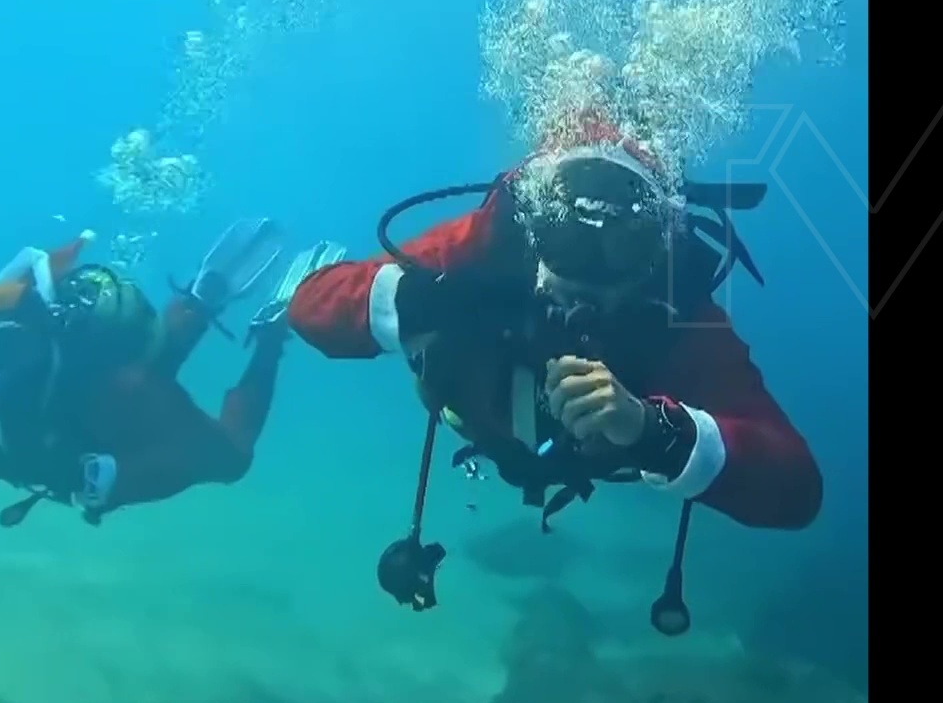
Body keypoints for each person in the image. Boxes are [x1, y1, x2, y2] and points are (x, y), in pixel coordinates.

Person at [288, 115, 822, 538]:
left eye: (623, 244)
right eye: (568, 238)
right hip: (472, 417)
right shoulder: (487, 247)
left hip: (583, 458)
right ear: (535, 226)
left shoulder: (679, 317)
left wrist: (649, 429)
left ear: (658, 250)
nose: (589, 272)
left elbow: (797, 490)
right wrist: (428, 300)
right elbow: (312, 306)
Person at [0, 218, 347, 548]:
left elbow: (203, 456)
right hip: (81, 420)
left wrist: (118, 480)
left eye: (9, 345)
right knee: (155, 362)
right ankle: (203, 298)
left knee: (234, 456)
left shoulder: (123, 392)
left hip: (106, 417)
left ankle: (269, 331)